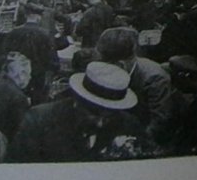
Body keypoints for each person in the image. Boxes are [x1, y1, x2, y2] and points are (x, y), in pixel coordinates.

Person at [9, 60, 141, 162]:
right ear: (77, 100)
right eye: (94, 113)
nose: (100, 124)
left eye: (109, 117)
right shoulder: (39, 121)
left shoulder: (129, 125)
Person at [96, 27, 173, 145]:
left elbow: (159, 121)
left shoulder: (154, 78)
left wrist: (135, 143)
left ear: (120, 64)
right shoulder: (108, 68)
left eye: (107, 64)